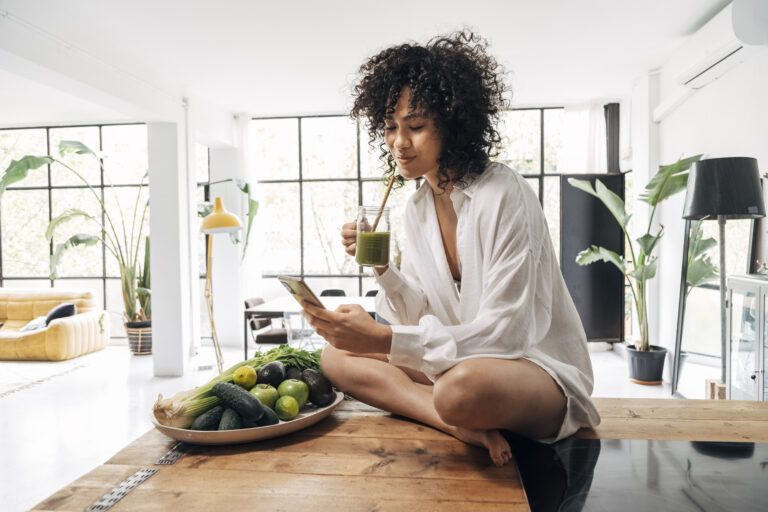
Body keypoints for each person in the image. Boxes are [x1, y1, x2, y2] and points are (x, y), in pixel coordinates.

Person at [301, 30, 600, 467]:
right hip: (458, 359)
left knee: (460, 390)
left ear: (453, 123)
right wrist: (383, 268)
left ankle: (453, 409)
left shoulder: (504, 194)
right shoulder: (417, 208)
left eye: (416, 126)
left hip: (530, 367)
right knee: (336, 356)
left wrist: (383, 338)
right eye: (390, 127)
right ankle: (452, 422)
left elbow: (507, 333)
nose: (399, 143)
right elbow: (422, 313)